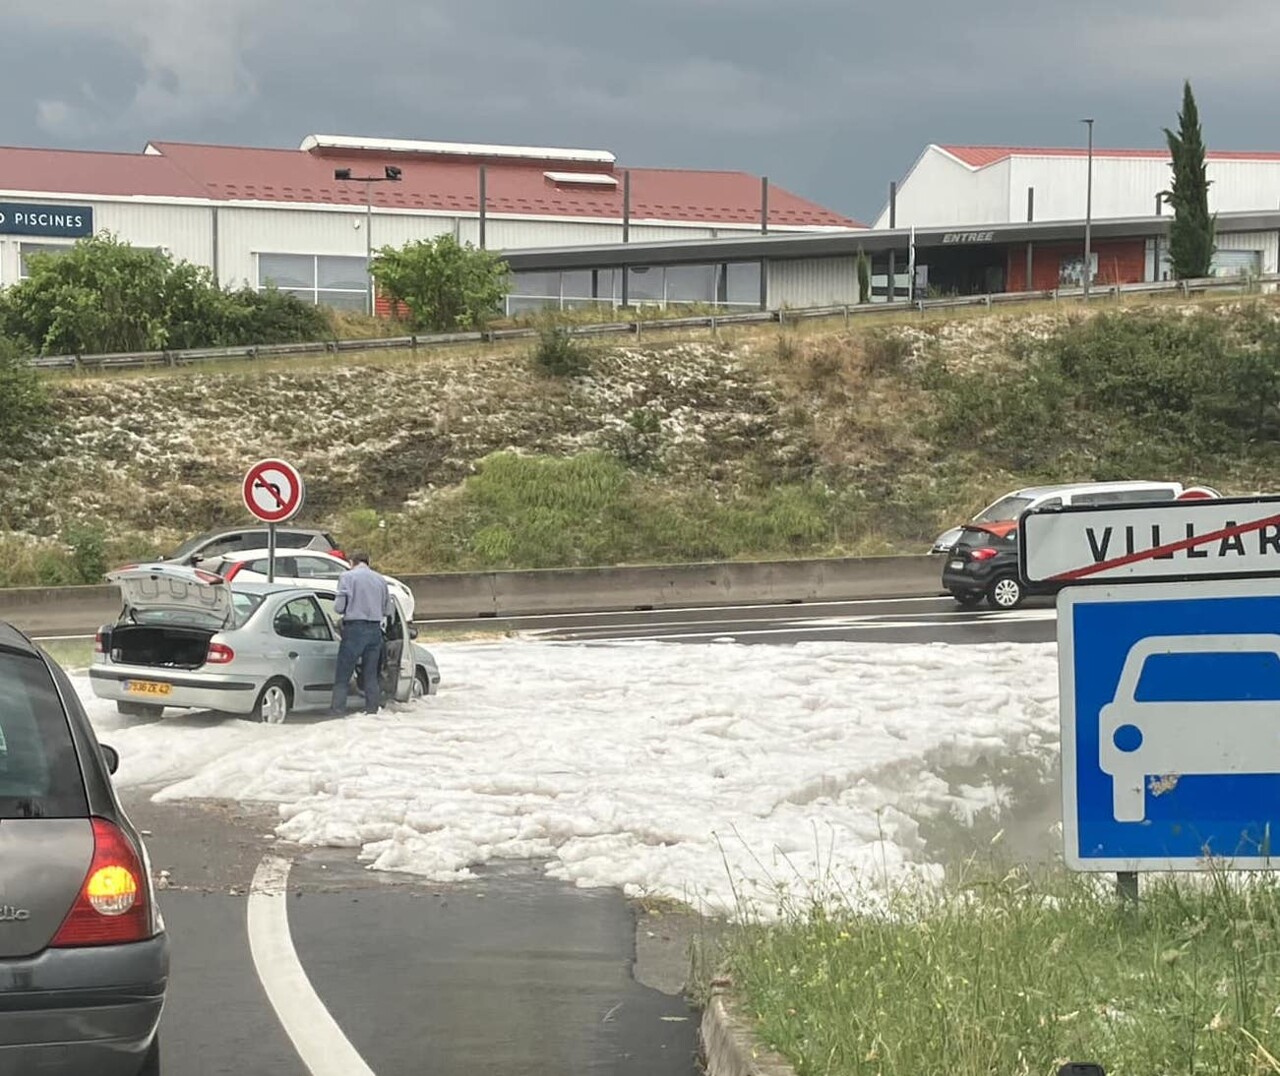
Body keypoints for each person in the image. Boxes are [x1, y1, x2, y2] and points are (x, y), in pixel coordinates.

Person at [329, 551, 394, 716]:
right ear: (368, 562)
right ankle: (372, 712)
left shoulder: (347, 577)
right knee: (371, 675)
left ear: (352, 562)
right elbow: (387, 609)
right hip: (374, 631)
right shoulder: (380, 579)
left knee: (343, 676)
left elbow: (338, 607)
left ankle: (337, 712)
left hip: (354, 630)